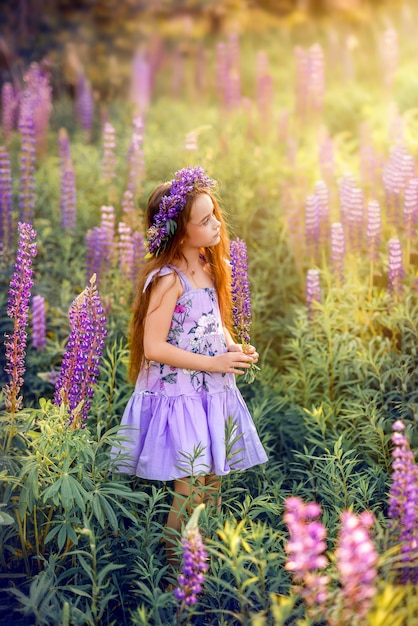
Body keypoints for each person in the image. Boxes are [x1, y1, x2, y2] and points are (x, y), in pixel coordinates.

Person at [112, 165, 268, 566]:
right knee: (190, 486)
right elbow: (153, 347)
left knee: (212, 482)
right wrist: (213, 361)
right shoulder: (167, 279)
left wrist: (235, 348)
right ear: (180, 233)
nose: (217, 223)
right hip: (180, 394)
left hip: (211, 391)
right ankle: (172, 568)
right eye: (204, 220)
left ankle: (204, 561)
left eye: (214, 213)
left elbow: (213, 324)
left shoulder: (212, 265)